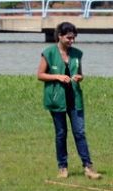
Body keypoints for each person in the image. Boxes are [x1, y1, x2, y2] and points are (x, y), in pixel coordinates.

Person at [37, 21, 101, 179]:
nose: (72, 41)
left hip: (75, 99)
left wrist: (80, 77)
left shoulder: (77, 54)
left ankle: (88, 167)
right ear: (60, 36)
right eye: (69, 38)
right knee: (61, 133)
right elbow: (40, 75)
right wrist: (57, 77)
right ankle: (63, 167)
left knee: (80, 132)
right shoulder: (49, 53)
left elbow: (79, 72)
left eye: (74, 38)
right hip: (56, 99)